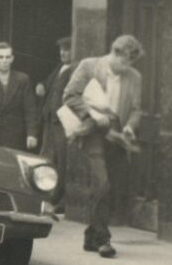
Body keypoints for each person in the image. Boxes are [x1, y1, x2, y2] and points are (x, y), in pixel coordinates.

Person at [62, 34, 144, 259]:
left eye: (130, 64)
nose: (125, 68)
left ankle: (91, 237)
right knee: (102, 183)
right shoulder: (89, 66)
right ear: (114, 53)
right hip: (92, 133)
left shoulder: (134, 77)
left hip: (116, 133)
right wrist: (91, 115)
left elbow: (136, 108)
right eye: (123, 62)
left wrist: (129, 127)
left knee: (112, 187)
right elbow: (69, 95)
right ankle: (103, 240)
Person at [36, 36, 76, 213]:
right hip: (50, 122)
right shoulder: (60, 67)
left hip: (63, 123)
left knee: (63, 161)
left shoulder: (74, 70)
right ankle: (46, 196)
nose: (63, 53)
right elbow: (48, 83)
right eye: (61, 49)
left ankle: (62, 200)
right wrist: (41, 85)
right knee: (47, 159)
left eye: (67, 49)